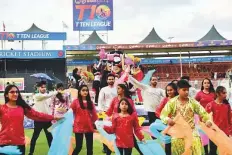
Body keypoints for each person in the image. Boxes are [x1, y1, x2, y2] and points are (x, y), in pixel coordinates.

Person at [0, 85, 61, 155]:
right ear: (6, 95)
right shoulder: (2, 108)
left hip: (19, 143)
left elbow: (37, 115)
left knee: (49, 136)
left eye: (17, 92)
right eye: (12, 92)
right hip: (4, 143)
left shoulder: (22, 108)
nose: (15, 94)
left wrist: (54, 117)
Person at [160, 80, 211, 155]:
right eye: (184, 90)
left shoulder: (193, 102)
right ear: (178, 90)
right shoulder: (172, 102)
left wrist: (207, 120)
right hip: (178, 135)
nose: (186, 92)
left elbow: (203, 112)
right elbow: (163, 115)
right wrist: (168, 120)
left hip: (192, 133)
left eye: (187, 90)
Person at [105, 84, 143, 155]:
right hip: (116, 123)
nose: (117, 90)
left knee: (131, 142)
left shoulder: (129, 100)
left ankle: (142, 152)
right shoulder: (114, 99)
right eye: (117, 88)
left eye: (118, 88)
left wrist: (132, 120)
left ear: (123, 89)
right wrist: (104, 120)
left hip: (127, 123)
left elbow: (133, 111)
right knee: (112, 143)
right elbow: (109, 111)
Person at [29, 81, 57, 155]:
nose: (44, 88)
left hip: (47, 120)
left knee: (50, 137)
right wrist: (56, 92)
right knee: (35, 136)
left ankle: (53, 152)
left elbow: (49, 107)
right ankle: (31, 152)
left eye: (44, 87)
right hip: (38, 120)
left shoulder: (47, 96)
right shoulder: (37, 96)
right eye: (42, 87)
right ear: (38, 88)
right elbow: (45, 96)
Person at [70, 85, 98, 155]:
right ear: (79, 92)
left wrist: (92, 122)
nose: (85, 92)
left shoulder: (90, 103)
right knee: (78, 146)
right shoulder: (75, 102)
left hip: (88, 126)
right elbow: (70, 113)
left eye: (86, 90)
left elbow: (95, 115)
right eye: (83, 90)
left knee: (90, 148)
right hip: (78, 126)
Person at [205, 86, 232, 155]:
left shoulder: (227, 105)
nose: (225, 95)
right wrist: (207, 123)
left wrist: (230, 132)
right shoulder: (210, 105)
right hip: (214, 132)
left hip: (225, 133)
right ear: (217, 94)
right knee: (212, 152)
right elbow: (204, 117)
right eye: (223, 93)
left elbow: (230, 119)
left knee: (226, 151)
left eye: (226, 93)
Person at [155, 83, 178, 155]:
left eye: (171, 90)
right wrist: (166, 119)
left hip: (179, 125)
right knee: (168, 144)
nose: (169, 92)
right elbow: (157, 111)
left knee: (179, 144)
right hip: (168, 126)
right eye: (167, 90)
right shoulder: (165, 100)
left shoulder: (180, 99)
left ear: (175, 90)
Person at [195, 78, 215, 155]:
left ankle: (212, 152)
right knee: (204, 136)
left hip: (212, 118)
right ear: (202, 84)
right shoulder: (199, 94)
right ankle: (206, 152)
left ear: (210, 84)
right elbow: (194, 103)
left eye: (208, 83)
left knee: (212, 136)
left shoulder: (214, 93)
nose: (206, 84)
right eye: (205, 83)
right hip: (202, 119)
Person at [98, 73, 117, 153]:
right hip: (106, 113)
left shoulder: (117, 89)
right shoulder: (103, 89)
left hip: (116, 113)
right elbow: (100, 101)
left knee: (115, 130)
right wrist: (101, 111)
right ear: (107, 80)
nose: (111, 80)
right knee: (105, 130)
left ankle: (114, 146)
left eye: (112, 79)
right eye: (109, 79)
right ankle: (105, 147)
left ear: (114, 80)